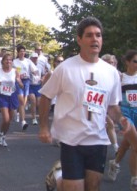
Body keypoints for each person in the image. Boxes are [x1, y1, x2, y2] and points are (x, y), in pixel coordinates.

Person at [38, 17, 132, 191]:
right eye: (89, 35)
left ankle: (59, 179)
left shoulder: (111, 72)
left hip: (98, 140)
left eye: (98, 35)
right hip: (71, 139)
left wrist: (121, 119)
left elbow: (112, 106)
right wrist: (43, 126)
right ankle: (58, 178)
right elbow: (45, 96)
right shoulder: (65, 68)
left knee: (92, 187)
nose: (94, 39)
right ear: (79, 40)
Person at [107, 50, 137, 190]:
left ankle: (115, 163)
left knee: (126, 144)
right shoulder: (120, 77)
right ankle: (135, 179)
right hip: (125, 115)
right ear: (127, 62)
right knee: (136, 145)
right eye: (135, 61)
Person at [0, 53, 23, 147]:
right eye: (6, 59)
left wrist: (19, 82)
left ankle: (2, 136)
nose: (8, 61)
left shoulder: (15, 71)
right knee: (6, 119)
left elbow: (19, 82)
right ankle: (1, 136)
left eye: (10, 60)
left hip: (12, 95)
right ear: (2, 61)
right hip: (2, 95)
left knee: (9, 120)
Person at [13, 45, 38, 131]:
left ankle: (18, 113)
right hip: (18, 81)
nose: (22, 53)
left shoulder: (28, 61)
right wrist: (18, 80)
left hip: (27, 81)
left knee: (24, 101)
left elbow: (34, 70)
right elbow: (14, 73)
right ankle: (23, 121)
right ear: (18, 52)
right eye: (21, 51)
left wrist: (35, 72)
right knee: (21, 101)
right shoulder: (15, 62)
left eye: (24, 51)